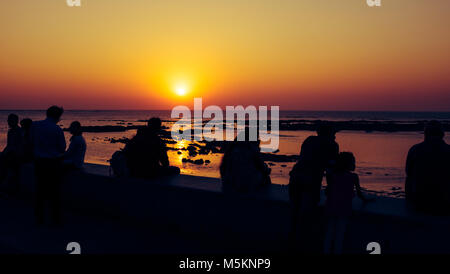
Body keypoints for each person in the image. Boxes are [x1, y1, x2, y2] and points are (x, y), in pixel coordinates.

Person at [288, 123, 339, 251]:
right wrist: (331, 187)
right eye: (333, 133)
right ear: (329, 133)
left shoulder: (309, 140)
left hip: (295, 177)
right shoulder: (332, 145)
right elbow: (330, 169)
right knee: (306, 214)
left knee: (295, 213)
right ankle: (303, 246)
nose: (335, 136)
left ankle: (293, 244)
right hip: (310, 181)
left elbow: (304, 159)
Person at [323, 152, 371, 254]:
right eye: (353, 162)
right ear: (348, 164)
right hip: (344, 209)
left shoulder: (333, 176)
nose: (355, 164)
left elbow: (328, 191)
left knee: (329, 233)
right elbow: (359, 194)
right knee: (340, 234)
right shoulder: (354, 177)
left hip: (331, 206)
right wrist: (367, 200)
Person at [405, 120, 450, 214]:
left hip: (420, 202)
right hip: (445, 203)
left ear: (425, 134)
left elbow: (408, 173)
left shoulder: (415, 149)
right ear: (442, 134)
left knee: (409, 178)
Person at [32, 106, 66, 225]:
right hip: (52, 163)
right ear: (57, 116)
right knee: (54, 192)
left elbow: (30, 141)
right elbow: (62, 148)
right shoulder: (57, 130)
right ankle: (55, 219)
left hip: (39, 162)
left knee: (40, 191)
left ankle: (39, 218)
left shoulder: (36, 126)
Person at [220, 127, 271, 193]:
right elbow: (263, 169)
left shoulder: (232, 148)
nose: (259, 140)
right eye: (257, 138)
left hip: (229, 183)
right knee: (266, 178)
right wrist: (267, 169)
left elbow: (222, 168)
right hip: (245, 186)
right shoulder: (252, 149)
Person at [0, 113, 24, 194]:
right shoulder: (10, 132)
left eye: (10, 120)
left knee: (8, 166)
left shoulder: (20, 132)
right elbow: (9, 145)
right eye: (8, 120)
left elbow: (20, 146)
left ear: (16, 121)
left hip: (17, 155)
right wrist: (3, 153)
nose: (8, 122)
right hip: (11, 154)